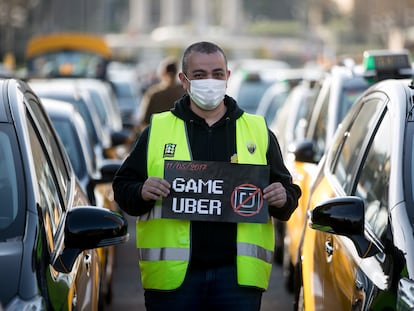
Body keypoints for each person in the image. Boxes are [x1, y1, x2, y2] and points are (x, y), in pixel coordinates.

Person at [112, 41, 301, 311]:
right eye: (199, 75)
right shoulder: (157, 130)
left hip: (237, 281)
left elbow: (287, 192)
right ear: (184, 80)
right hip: (173, 282)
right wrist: (141, 191)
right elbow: (122, 188)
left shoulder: (258, 131)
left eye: (217, 73)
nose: (209, 81)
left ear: (228, 78)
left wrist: (284, 197)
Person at [137, 56, 185, 133]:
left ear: (162, 72)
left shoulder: (154, 93)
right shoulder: (184, 93)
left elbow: (144, 120)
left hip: (158, 135)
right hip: (181, 136)